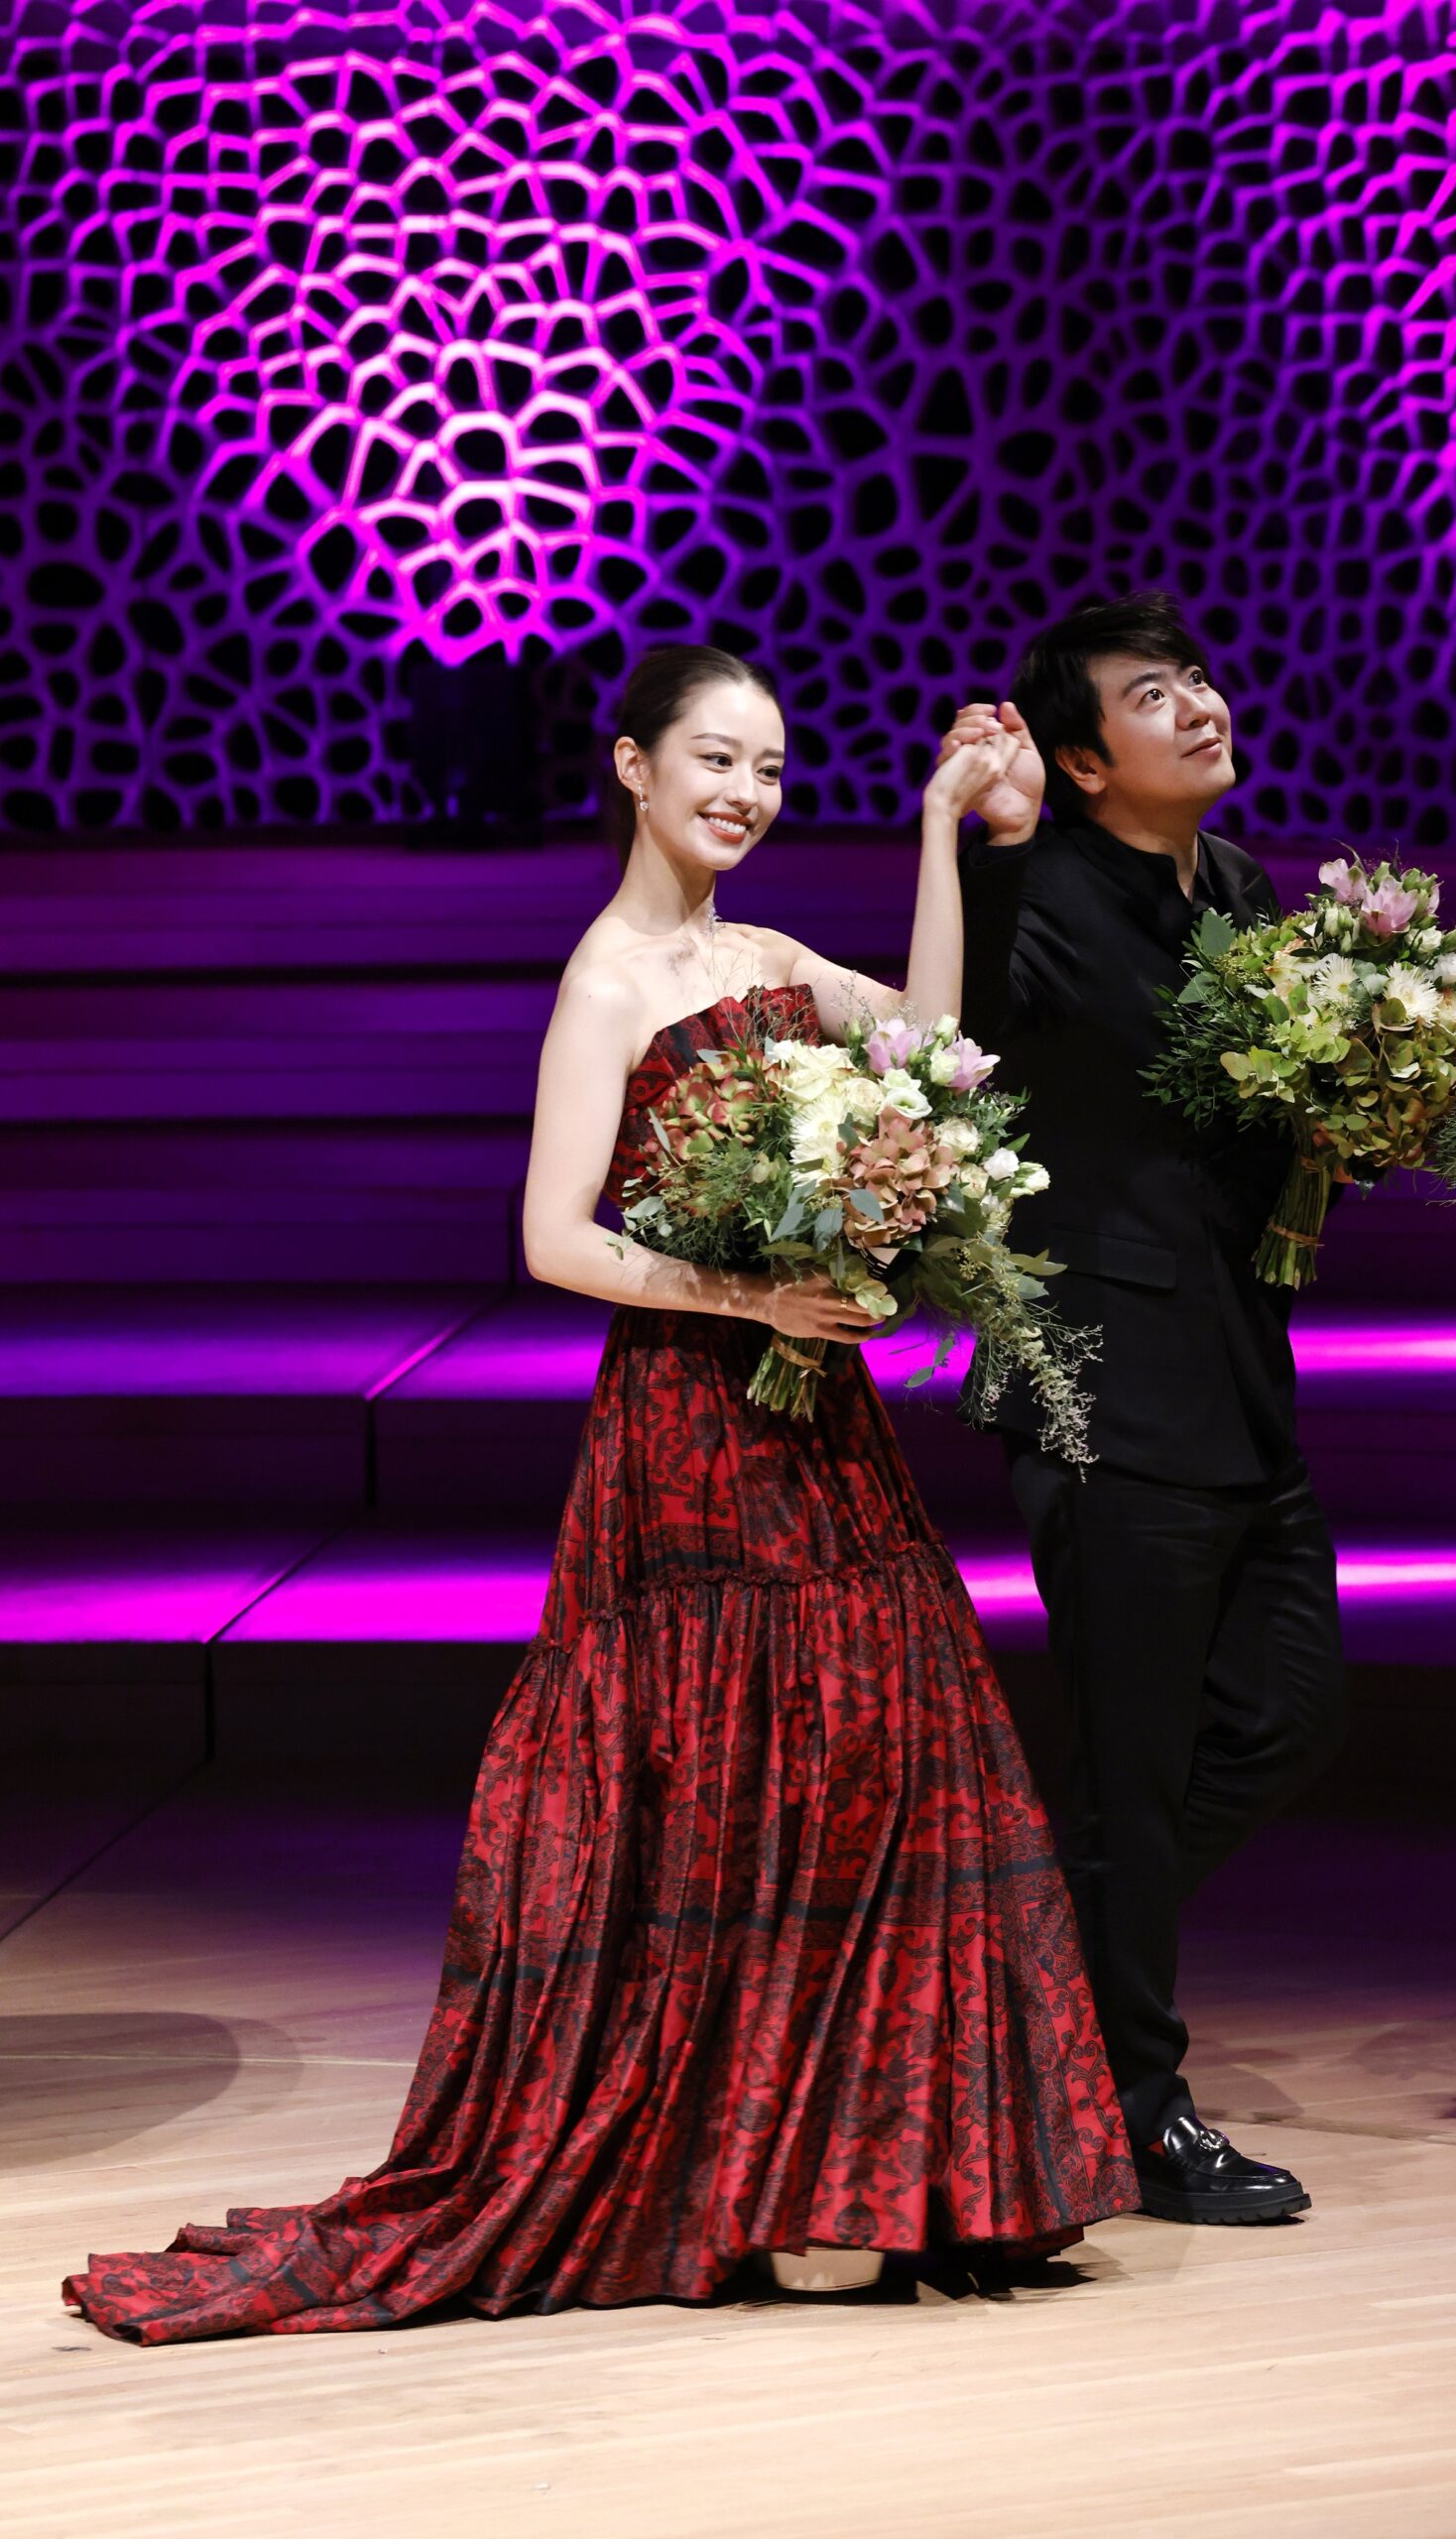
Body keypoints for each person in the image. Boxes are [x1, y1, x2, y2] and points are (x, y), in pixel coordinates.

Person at [64, 645, 1136, 2344]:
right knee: (732, 1781)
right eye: (715, 759)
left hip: (815, 1413)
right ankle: (749, 2180)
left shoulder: (769, 957)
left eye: (770, 768)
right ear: (634, 766)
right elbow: (553, 1238)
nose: (746, 793)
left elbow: (938, 1053)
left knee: (869, 1758)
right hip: (691, 1429)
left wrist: (944, 828)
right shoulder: (606, 980)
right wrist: (752, 1295)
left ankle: (855, 2173)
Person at [944, 592, 1348, 2225]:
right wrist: (988, 839)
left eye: (1196, 678)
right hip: (1100, 1381)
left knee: (1288, 1714)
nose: (1198, 705)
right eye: (1151, 695)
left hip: (1242, 1376)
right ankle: (1138, 2110)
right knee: (1134, 1765)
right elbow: (957, 1033)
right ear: (1083, 763)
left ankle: (1033, 1940)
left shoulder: (1242, 889)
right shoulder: (1036, 890)